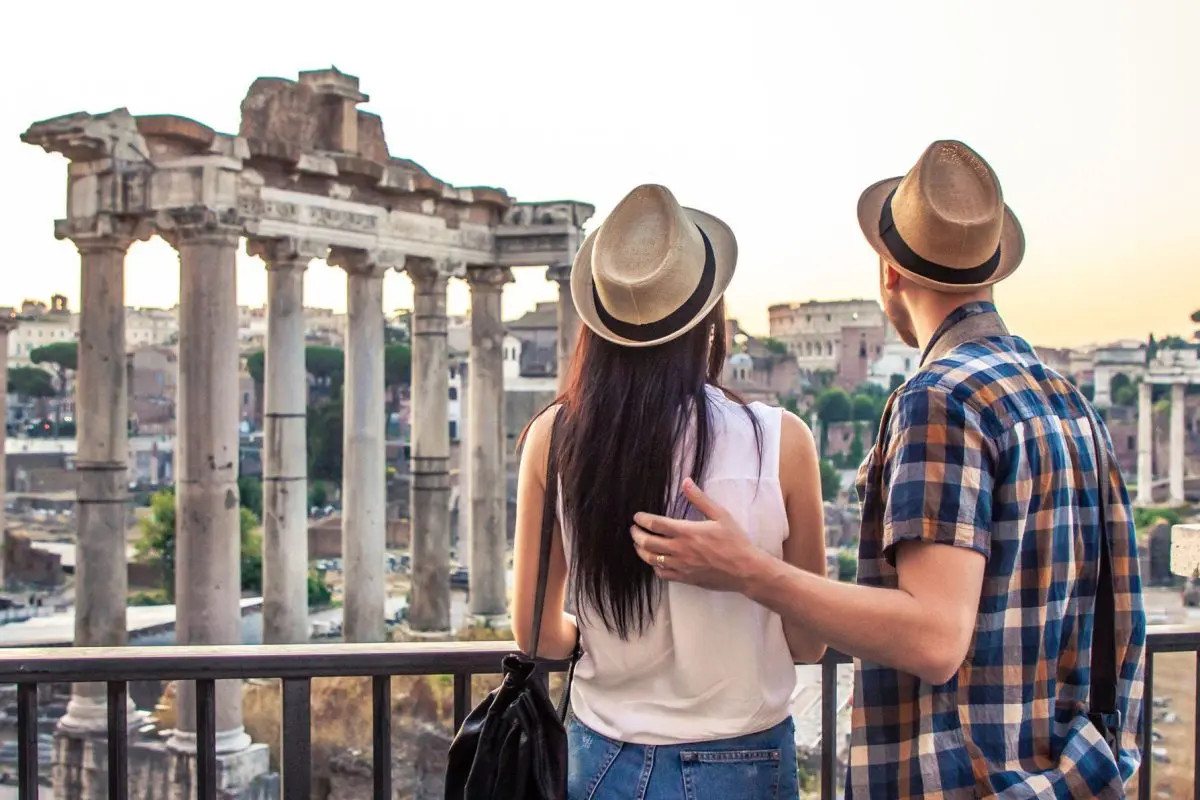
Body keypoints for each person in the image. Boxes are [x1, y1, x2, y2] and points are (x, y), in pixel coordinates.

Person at [630, 141, 1147, 798]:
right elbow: (1120, 617)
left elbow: (933, 638)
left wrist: (749, 571)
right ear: (991, 272)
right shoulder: (1069, 401)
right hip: (1071, 780)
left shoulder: (942, 400)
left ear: (890, 274)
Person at [511, 184, 828, 799]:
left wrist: (600, 637)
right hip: (746, 762)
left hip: (602, 761)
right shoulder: (781, 443)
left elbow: (535, 633)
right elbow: (809, 641)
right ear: (709, 318)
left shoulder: (553, 438)